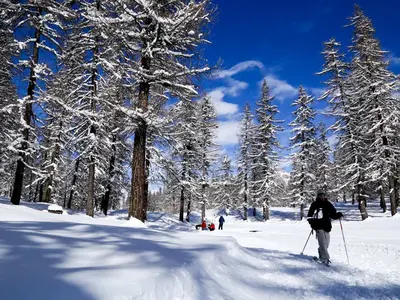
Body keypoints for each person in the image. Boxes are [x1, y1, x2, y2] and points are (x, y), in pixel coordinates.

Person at [307, 191, 343, 266]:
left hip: (326, 226)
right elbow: (309, 216)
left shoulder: (328, 204)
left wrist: (338, 215)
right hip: (318, 226)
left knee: (326, 244)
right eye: (320, 196)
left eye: (323, 196)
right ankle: (325, 258)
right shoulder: (315, 204)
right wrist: (312, 224)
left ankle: (321, 254)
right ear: (318, 196)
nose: (322, 197)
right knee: (323, 243)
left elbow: (333, 215)